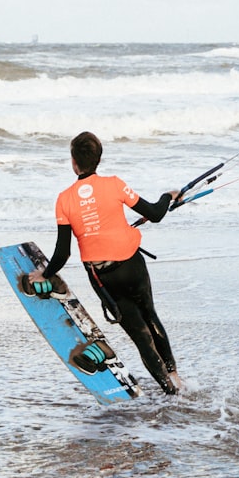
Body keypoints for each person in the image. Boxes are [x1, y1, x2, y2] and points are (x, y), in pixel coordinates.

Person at [27, 131, 183, 395]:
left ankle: (170, 392)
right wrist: (168, 196)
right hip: (133, 265)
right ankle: (176, 379)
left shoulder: (64, 199)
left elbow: (63, 253)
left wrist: (45, 273)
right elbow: (155, 214)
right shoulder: (114, 184)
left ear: (73, 162)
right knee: (151, 316)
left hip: (105, 277)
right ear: (98, 159)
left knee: (140, 336)